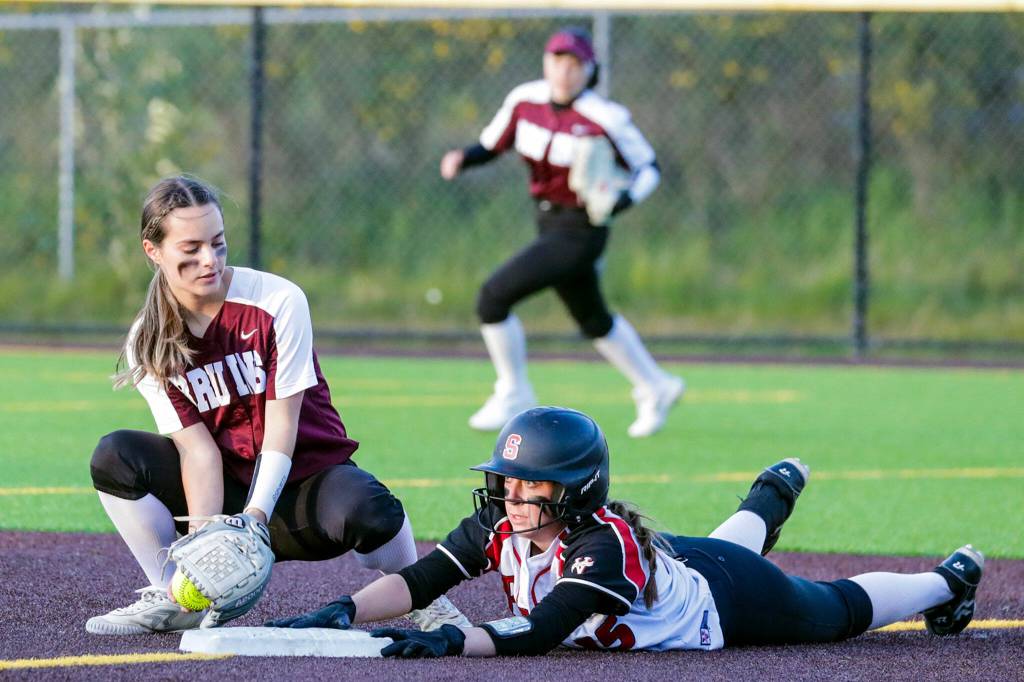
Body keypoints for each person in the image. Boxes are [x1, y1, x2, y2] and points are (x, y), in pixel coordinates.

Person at [267, 406, 984, 658]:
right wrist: (346, 609)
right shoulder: (504, 518)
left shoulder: (601, 545)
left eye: (529, 484)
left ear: (575, 490)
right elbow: (426, 579)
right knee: (727, 544)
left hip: (724, 606)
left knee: (835, 611)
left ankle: (947, 580)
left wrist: (453, 640)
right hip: (683, 568)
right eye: (507, 481)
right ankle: (770, 493)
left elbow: (543, 631)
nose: (509, 495)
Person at [85, 175, 469, 635]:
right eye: (190, 248)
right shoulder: (147, 339)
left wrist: (254, 519)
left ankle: (421, 594)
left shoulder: (277, 300)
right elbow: (198, 452)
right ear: (153, 251)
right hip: (228, 489)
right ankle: (175, 597)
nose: (209, 259)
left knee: (372, 510)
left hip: (305, 488)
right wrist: (210, 545)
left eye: (218, 242)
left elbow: (281, 427)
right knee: (116, 455)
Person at [440, 27, 684, 438]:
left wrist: (624, 201)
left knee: (493, 296)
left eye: (575, 64)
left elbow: (649, 168)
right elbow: (493, 144)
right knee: (592, 318)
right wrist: (463, 158)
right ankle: (656, 386)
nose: (564, 72)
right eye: (557, 61)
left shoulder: (605, 117)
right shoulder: (525, 100)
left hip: (582, 229)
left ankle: (513, 391)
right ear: (545, 62)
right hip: (548, 221)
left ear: (590, 71)